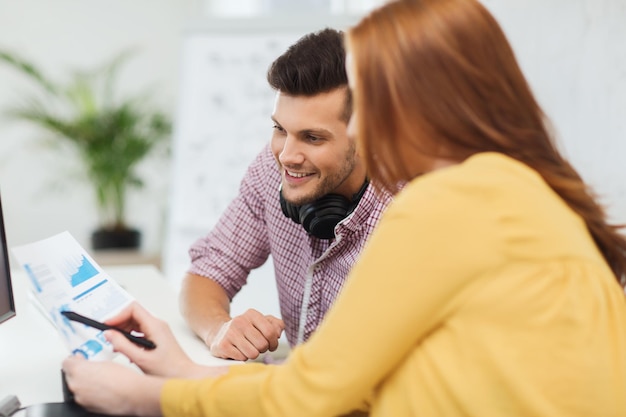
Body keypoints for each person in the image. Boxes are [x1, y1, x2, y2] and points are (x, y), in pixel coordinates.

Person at [62, 0, 626, 415]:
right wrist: (189, 366)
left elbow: (311, 396)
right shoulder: (517, 191)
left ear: (415, 107)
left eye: (366, 102)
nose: (359, 126)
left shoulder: (446, 206)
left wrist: (146, 398)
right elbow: (356, 388)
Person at [179, 28, 389, 361]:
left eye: (313, 138)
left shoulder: (413, 207)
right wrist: (219, 328)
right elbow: (207, 271)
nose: (286, 155)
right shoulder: (272, 168)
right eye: (280, 129)